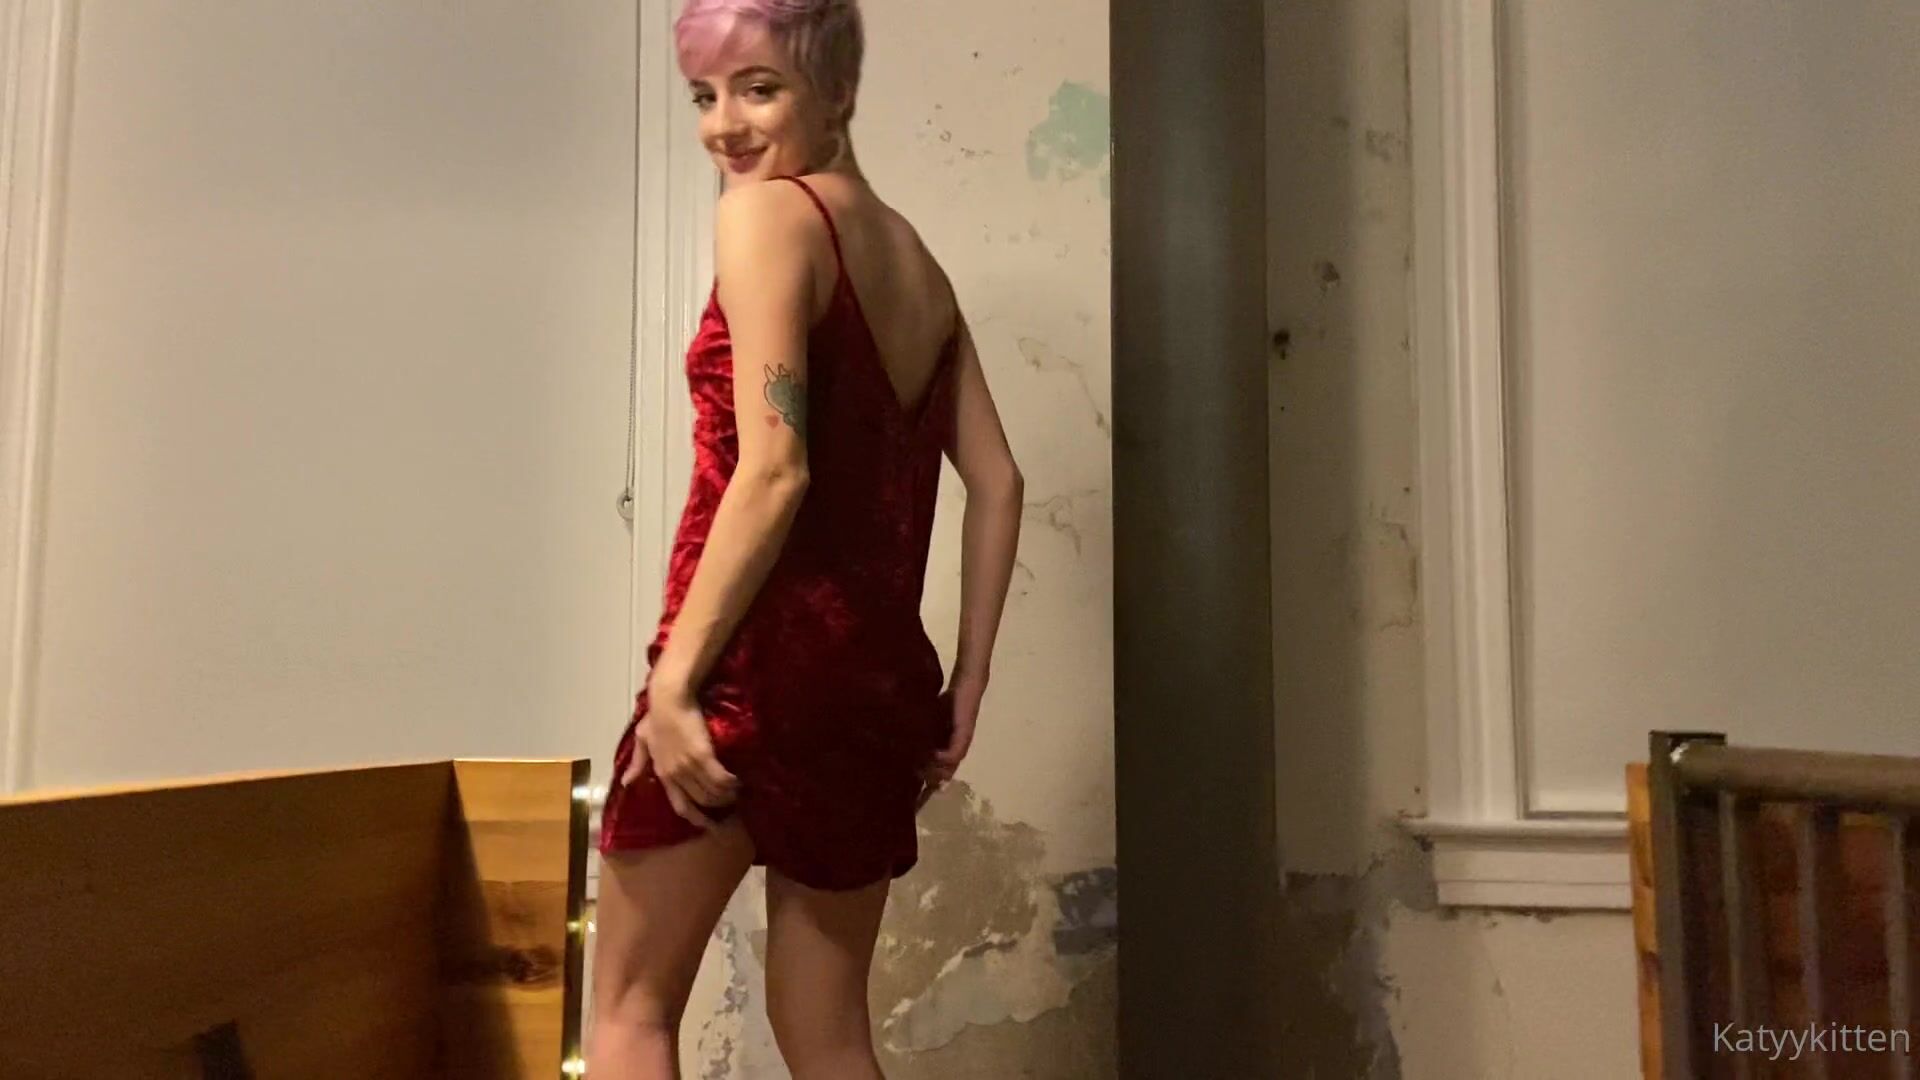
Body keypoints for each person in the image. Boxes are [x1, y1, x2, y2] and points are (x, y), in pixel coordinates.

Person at [586, 0, 1025, 1076]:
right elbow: (1000, 481)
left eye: (759, 88)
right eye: (704, 96)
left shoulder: (768, 217)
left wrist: (678, 681)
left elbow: (774, 468)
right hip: (870, 692)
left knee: (630, 1013)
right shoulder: (918, 265)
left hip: (750, 671)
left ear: (839, 91)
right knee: (828, 1036)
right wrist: (965, 685)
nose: (723, 126)